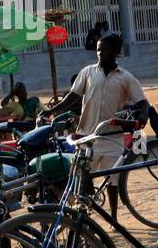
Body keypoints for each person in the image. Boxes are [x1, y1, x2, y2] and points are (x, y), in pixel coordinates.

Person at [44, 32, 149, 218]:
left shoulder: (125, 78)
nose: (100, 53)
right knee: (82, 179)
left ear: (115, 52)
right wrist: (53, 111)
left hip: (111, 137)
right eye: (98, 49)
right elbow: (73, 96)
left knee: (112, 182)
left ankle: (113, 217)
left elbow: (142, 101)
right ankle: (83, 217)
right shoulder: (87, 72)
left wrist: (144, 115)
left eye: (104, 49)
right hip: (86, 136)